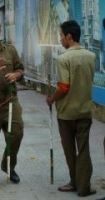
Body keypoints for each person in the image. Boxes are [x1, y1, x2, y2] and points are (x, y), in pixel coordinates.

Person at [46, 20, 96, 197]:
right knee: (84, 150)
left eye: (61, 36)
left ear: (69, 36)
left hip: (67, 113)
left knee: (69, 150)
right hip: (85, 111)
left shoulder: (64, 58)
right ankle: (84, 187)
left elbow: (64, 87)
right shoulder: (91, 56)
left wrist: (52, 99)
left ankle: (75, 182)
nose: (60, 39)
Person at [0, 17, 24, 188]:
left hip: (10, 102)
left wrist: (16, 75)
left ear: (0, 31)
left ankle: (8, 166)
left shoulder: (10, 51)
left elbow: (20, 68)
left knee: (17, 135)